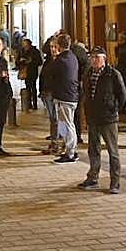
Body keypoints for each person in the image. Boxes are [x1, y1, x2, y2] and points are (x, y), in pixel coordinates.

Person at [78, 48, 126, 193]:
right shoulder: (88, 74)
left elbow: (122, 94)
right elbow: (86, 93)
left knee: (113, 151)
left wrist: (114, 108)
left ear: (104, 58)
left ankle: (115, 182)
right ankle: (93, 177)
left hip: (108, 118)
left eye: (97, 57)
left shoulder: (112, 74)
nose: (93, 60)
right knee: (93, 149)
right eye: (92, 57)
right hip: (93, 117)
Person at [43, 34, 80, 163]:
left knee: (67, 126)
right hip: (71, 95)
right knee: (68, 125)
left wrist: (54, 58)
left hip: (64, 96)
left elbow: (48, 72)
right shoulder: (73, 57)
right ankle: (71, 150)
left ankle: (70, 153)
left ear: (59, 46)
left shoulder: (60, 60)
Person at [39, 40, 60, 152]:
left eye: (55, 47)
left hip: (58, 93)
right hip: (47, 92)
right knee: (53, 118)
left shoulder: (62, 61)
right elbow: (43, 76)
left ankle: (57, 142)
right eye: (51, 47)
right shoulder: (48, 61)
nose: (53, 49)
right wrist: (42, 90)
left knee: (57, 119)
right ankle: (54, 141)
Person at [71, 40, 90, 146]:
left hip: (76, 85)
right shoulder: (76, 51)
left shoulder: (77, 51)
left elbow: (86, 65)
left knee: (76, 112)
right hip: (75, 85)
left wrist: (82, 79)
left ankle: (76, 136)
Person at [18, 38, 42, 110]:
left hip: (32, 72)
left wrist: (31, 62)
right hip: (25, 72)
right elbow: (17, 61)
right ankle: (28, 104)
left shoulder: (35, 51)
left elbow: (40, 62)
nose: (24, 46)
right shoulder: (22, 51)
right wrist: (21, 61)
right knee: (28, 87)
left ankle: (34, 104)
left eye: (25, 44)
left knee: (33, 87)